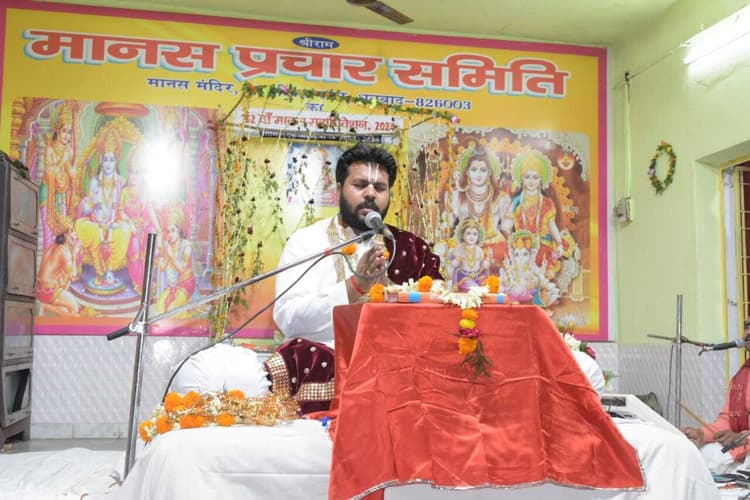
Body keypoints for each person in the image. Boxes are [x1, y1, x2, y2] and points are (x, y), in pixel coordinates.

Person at [272, 143, 443, 345]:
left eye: (380, 188)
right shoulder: (306, 242)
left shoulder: (409, 248)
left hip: (395, 357)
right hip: (323, 358)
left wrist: (392, 294)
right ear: (339, 189)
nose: (370, 193)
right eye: (360, 185)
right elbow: (288, 319)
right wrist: (354, 287)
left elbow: (437, 316)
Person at [682, 320, 750, 472]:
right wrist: (702, 433)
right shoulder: (741, 375)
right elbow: (728, 419)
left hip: (745, 450)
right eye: (747, 327)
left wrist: (743, 438)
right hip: (741, 450)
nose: (748, 333)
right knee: (698, 459)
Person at [447, 145, 511, 268]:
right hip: (463, 244)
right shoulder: (457, 195)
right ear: (467, 172)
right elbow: (448, 224)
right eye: (474, 169)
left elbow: (506, 229)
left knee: (500, 255)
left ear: (489, 172)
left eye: (483, 170)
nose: (478, 174)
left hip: (492, 243)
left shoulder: (501, 197)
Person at [507, 149, 564, 273]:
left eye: (535, 177)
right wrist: (512, 243)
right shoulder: (516, 201)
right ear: (522, 179)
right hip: (522, 248)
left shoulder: (547, 202)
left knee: (543, 275)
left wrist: (559, 243)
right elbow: (506, 227)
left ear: (541, 180)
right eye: (527, 177)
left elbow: (551, 225)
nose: (531, 181)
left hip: (543, 245)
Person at [36, 216, 82, 316]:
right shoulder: (64, 251)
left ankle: (47, 307)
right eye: (72, 231)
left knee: (65, 310)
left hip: (40, 290)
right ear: (65, 235)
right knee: (75, 311)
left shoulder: (51, 247)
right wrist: (74, 255)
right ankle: (45, 307)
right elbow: (73, 276)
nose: (75, 235)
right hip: (49, 292)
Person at [447, 217, 491, 292]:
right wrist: (456, 260)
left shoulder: (479, 250)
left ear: (478, 236)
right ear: (463, 236)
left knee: (487, 286)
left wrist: (486, 260)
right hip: (464, 278)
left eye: (475, 234)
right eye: (468, 233)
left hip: (477, 277)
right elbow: (454, 264)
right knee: (474, 288)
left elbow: (483, 266)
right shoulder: (459, 248)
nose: (472, 237)